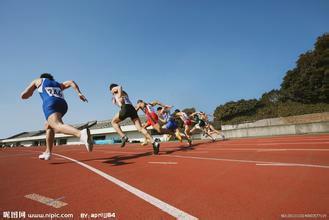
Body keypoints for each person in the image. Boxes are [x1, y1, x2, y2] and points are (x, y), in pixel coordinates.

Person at [20, 73, 93, 160]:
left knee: (57, 125)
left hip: (50, 103)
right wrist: (79, 93)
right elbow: (71, 82)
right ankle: (48, 152)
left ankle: (81, 134)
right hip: (63, 105)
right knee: (48, 125)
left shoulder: (38, 80)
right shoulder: (58, 84)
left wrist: (28, 93)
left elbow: (24, 95)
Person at [109, 84, 160, 154]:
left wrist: (115, 91)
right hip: (132, 109)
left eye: (111, 91)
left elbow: (119, 86)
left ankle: (123, 136)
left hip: (126, 108)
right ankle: (154, 142)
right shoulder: (121, 94)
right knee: (140, 128)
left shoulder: (117, 91)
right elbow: (121, 105)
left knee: (113, 122)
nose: (111, 92)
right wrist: (116, 103)